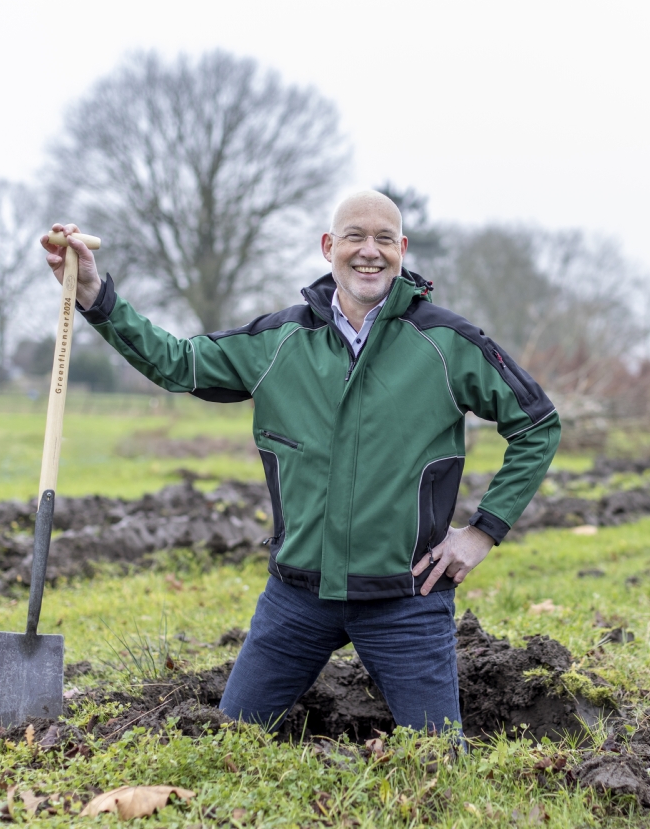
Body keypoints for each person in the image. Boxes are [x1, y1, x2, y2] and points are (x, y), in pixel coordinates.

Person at [41, 190, 559, 733]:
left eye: (384, 239)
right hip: (296, 600)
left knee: (438, 762)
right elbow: (177, 362)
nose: (370, 251)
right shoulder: (278, 341)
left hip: (407, 599)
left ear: (402, 250)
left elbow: (537, 424)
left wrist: (481, 533)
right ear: (328, 246)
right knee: (231, 744)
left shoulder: (447, 343)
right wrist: (95, 294)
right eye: (354, 236)